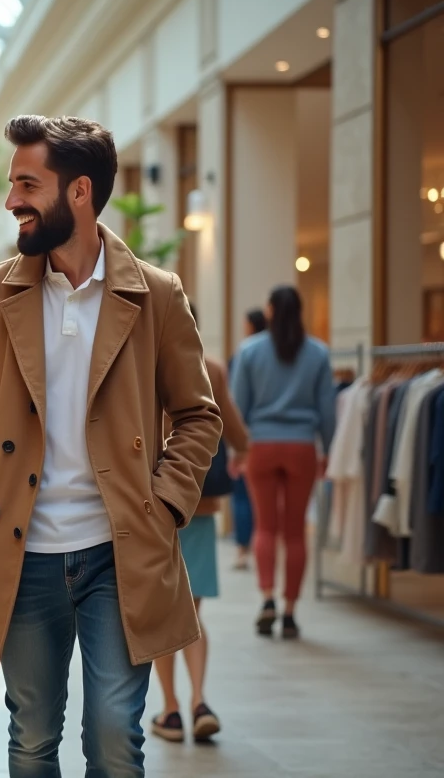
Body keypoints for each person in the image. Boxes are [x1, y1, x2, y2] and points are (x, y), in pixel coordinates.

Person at [0, 114, 221, 778]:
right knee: (33, 738)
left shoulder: (155, 295)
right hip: (21, 553)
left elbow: (197, 415)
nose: (12, 199)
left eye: (27, 183)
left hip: (119, 554)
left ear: (79, 191)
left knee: (114, 738)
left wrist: (163, 506)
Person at [151, 304, 249, 744]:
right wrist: (245, 452)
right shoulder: (211, 367)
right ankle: (199, 700)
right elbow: (229, 423)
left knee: (160, 613)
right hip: (201, 504)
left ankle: (170, 709)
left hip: (154, 505)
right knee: (191, 611)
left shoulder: (144, 362)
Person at [231, 285, 334, 639]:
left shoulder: (250, 351)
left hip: (260, 445)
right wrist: (329, 450)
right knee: (294, 533)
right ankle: (290, 612)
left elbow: (237, 406)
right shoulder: (318, 353)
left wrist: (236, 451)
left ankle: (267, 599)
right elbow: (328, 410)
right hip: (302, 446)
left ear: (271, 310)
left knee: (265, 527)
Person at [229, 307, 268, 570]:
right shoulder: (289, 351)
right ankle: (267, 550)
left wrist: (236, 447)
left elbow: (236, 402)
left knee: (242, 497)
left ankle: (244, 549)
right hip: (293, 442)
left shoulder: (245, 353)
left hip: (252, 438)